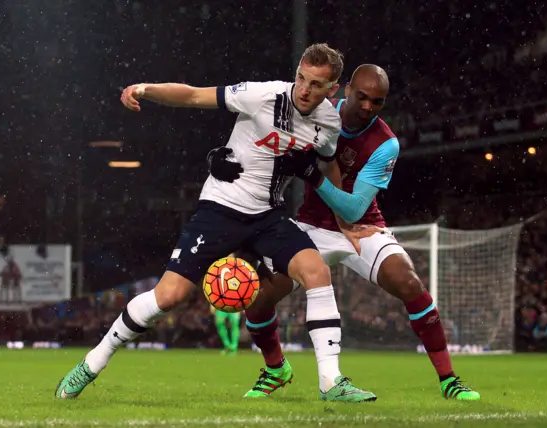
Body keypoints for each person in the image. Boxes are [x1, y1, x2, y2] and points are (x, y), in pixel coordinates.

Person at [55, 43, 375, 402]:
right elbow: (192, 96)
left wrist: (343, 219)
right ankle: (92, 362)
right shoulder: (262, 95)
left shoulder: (329, 122)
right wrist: (145, 89)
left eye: (316, 84)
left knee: (316, 271)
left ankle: (331, 382)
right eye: (301, 78)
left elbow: (328, 165)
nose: (304, 89)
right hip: (220, 208)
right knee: (169, 296)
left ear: (332, 89)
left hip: (268, 216)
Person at [208, 64, 481, 401]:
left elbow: (352, 210)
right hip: (310, 227)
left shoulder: (386, 143)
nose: (367, 106)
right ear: (347, 89)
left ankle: (449, 379)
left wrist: (313, 175)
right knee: (258, 297)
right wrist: (226, 162)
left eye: (377, 102)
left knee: (410, 283)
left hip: (362, 229)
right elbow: (269, 145)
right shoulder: (316, 112)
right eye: (362, 97)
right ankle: (276, 369)